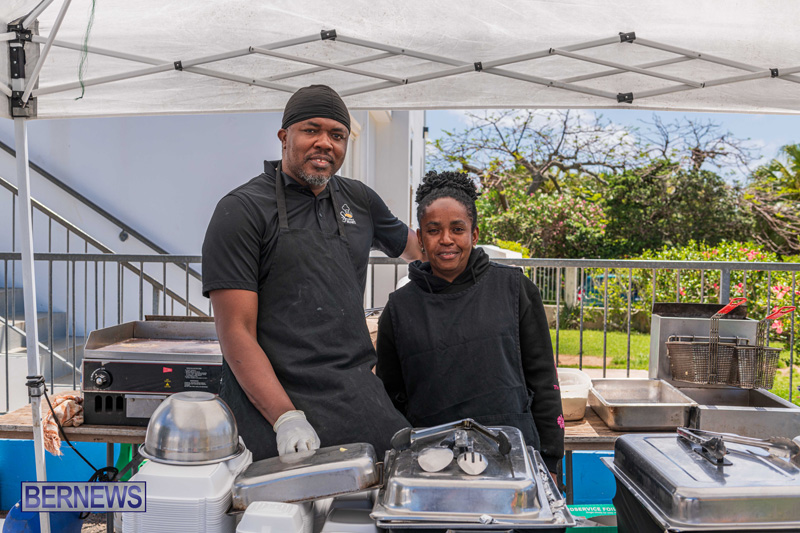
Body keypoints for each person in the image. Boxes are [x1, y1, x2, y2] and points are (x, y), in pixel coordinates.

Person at [202, 85, 421, 461]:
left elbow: (420, 250)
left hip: (353, 391)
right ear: (284, 137)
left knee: (397, 471)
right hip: (274, 400)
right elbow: (235, 331)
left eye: (337, 135)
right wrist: (286, 418)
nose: (325, 143)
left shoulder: (360, 201)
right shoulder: (241, 210)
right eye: (311, 130)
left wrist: (466, 252)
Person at [375, 170, 565, 475]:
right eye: (434, 230)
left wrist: (551, 460)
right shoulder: (399, 308)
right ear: (420, 238)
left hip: (514, 456)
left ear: (474, 235)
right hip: (431, 462)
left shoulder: (515, 289)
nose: (446, 239)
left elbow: (544, 380)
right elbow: (390, 396)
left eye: (457, 229)